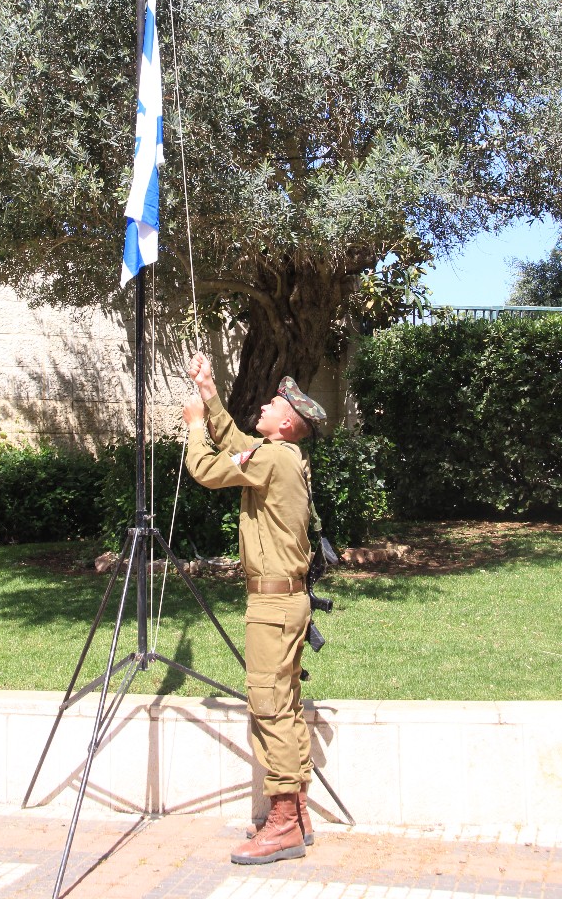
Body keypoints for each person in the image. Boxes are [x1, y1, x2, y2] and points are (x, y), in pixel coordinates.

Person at [182, 351, 326, 866]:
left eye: (271, 403)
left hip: (273, 605)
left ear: (286, 422)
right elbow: (241, 444)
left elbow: (206, 468)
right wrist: (209, 391)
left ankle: (283, 821)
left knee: (269, 707)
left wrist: (196, 425)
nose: (263, 405)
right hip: (285, 601)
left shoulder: (272, 458)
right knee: (282, 704)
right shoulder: (279, 456)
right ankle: (298, 811)